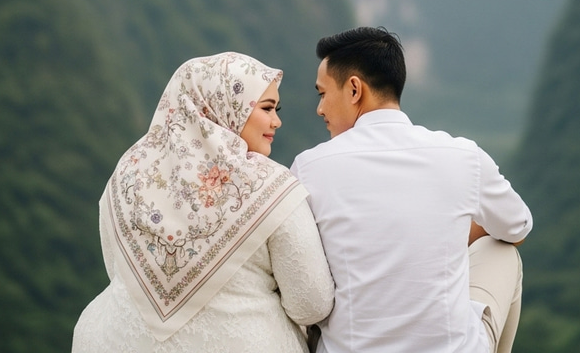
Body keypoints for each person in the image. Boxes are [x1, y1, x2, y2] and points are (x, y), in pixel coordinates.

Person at [72, 52, 334, 353]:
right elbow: (311, 304)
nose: (277, 121)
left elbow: (117, 269)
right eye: (267, 108)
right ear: (226, 107)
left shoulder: (128, 171)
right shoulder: (270, 185)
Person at [291, 27, 533, 353]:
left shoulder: (309, 167)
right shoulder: (463, 156)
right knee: (502, 251)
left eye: (322, 93)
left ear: (353, 90)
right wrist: (447, 231)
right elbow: (518, 227)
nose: (320, 109)